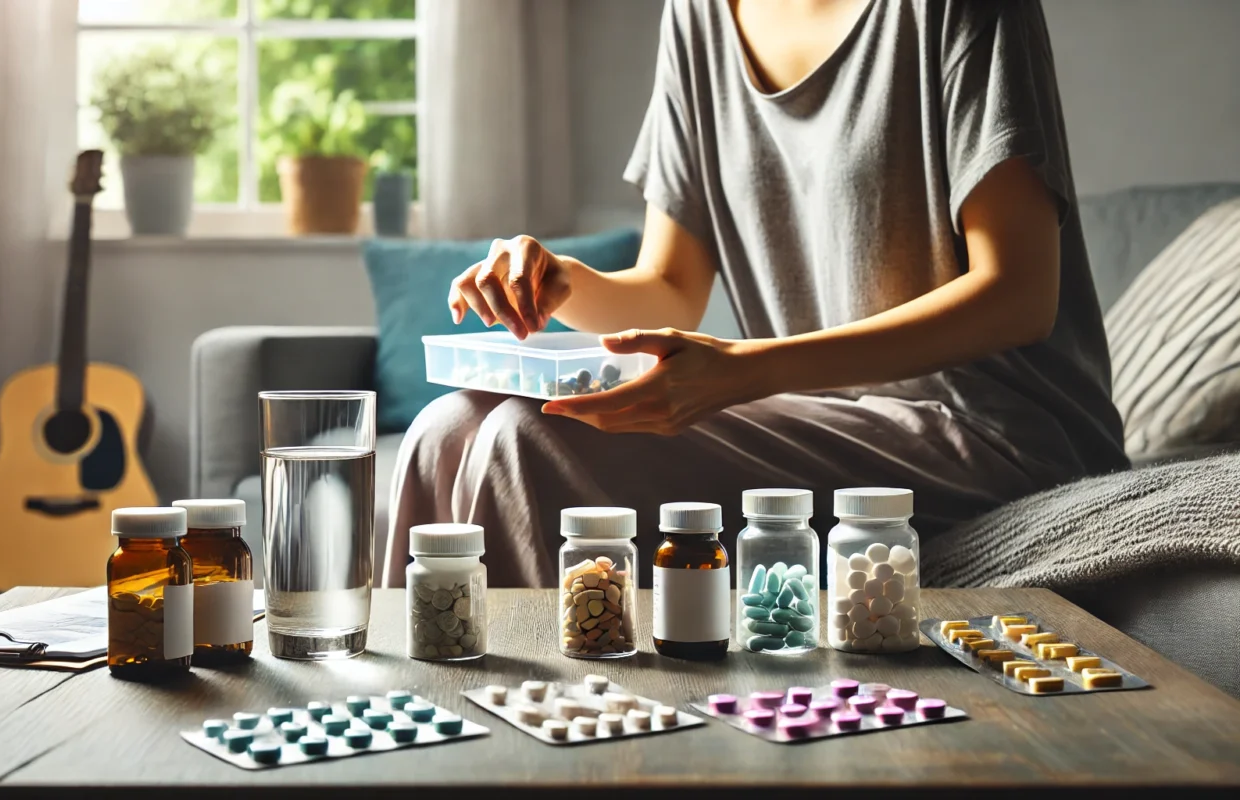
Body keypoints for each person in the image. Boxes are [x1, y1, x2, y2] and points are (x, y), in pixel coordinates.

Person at [384, 0, 1128, 589]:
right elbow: (670, 290)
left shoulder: (960, 8)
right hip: (833, 413)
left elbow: (1019, 294)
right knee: (446, 429)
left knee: (527, 440)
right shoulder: (699, 16)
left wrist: (748, 368)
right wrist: (562, 283)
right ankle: (420, 736)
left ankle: (576, 745)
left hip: (997, 436)